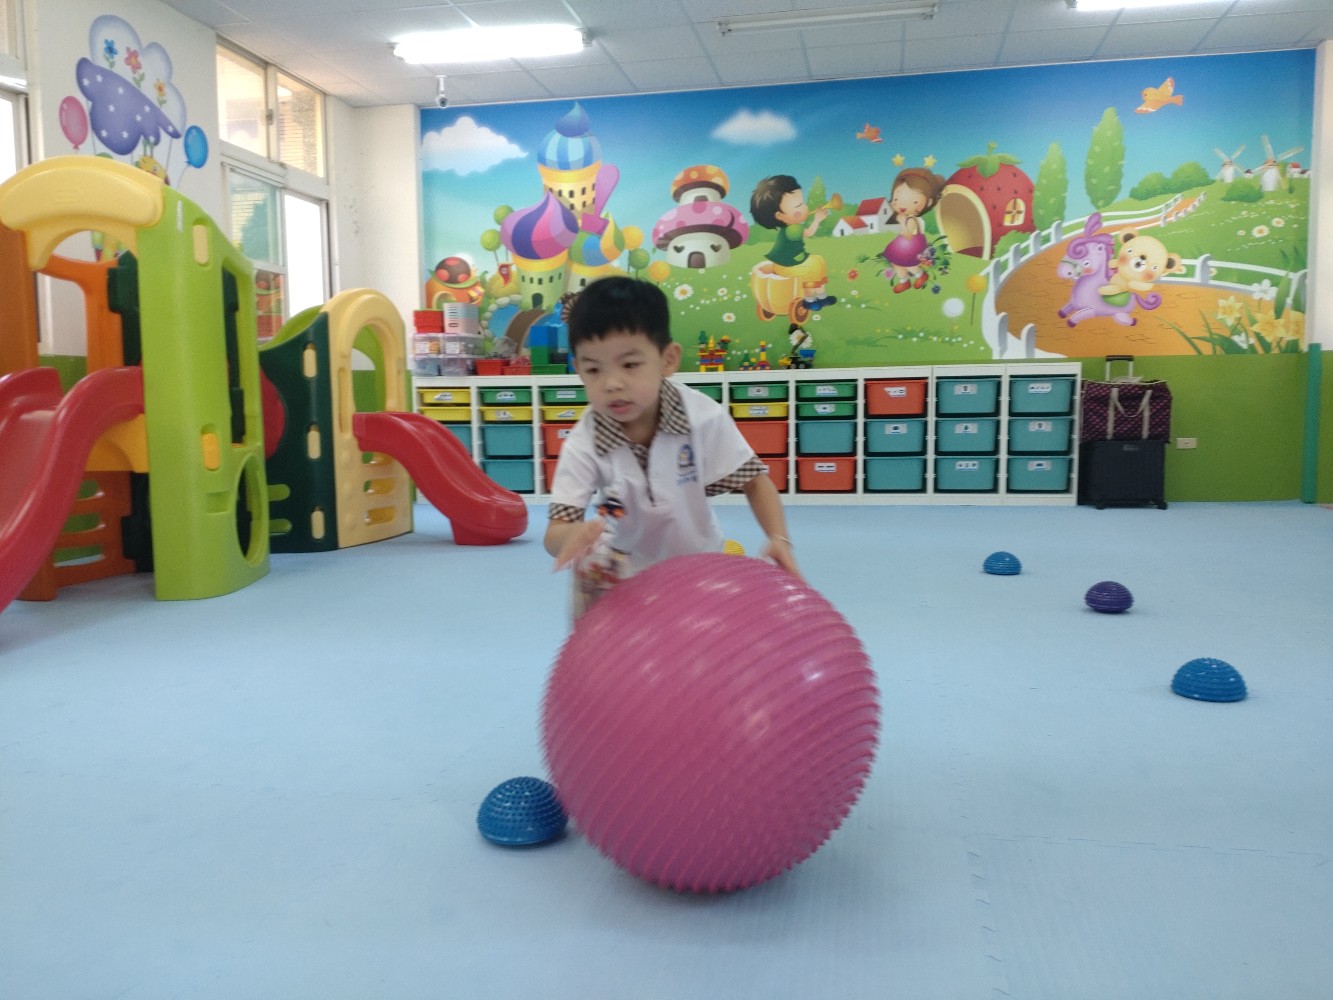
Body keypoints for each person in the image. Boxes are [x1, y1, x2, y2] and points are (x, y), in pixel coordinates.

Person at [544, 276, 800, 617]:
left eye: (630, 365)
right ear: (577, 369)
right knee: (591, 581)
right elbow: (555, 531)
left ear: (668, 359)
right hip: (623, 571)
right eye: (593, 369)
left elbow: (755, 481)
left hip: (699, 562)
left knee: (704, 640)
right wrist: (573, 536)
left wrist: (779, 539)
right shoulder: (584, 441)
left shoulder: (702, 417)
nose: (612, 383)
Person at [749, 174, 836, 310]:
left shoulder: (790, 228)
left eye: (803, 203)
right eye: (798, 205)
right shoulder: (793, 229)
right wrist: (817, 220)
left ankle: (822, 297)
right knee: (812, 268)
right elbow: (808, 233)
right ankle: (809, 300)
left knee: (818, 261)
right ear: (780, 215)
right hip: (786, 267)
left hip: (790, 263)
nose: (804, 208)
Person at [882, 167, 946, 293]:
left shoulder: (911, 220)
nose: (902, 204)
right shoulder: (905, 216)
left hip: (911, 246)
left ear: (928, 202)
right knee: (896, 263)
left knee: (909, 264)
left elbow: (908, 236)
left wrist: (902, 222)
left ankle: (920, 275)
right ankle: (904, 281)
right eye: (896, 199)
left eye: (914, 201)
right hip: (902, 246)